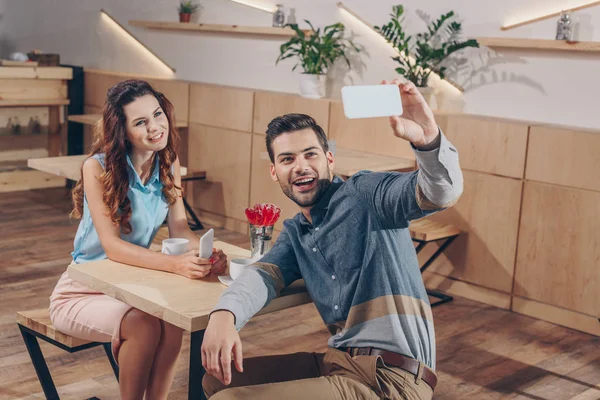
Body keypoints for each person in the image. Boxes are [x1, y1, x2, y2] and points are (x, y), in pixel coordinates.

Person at [200, 80, 464, 400]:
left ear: (329, 159)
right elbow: (261, 274)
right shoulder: (298, 233)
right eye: (287, 160)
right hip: (339, 362)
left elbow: (440, 193)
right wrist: (223, 316)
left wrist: (428, 142)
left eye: (310, 154)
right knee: (216, 382)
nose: (300, 167)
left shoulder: (365, 194)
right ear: (274, 172)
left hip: (392, 378)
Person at [49, 80, 228, 400]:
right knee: (145, 326)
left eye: (158, 115)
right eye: (141, 122)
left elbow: (180, 229)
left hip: (133, 286)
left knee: (172, 322)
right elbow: (112, 246)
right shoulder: (97, 168)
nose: (156, 127)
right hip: (82, 290)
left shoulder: (168, 163)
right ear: (123, 131)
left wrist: (206, 253)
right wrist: (174, 265)